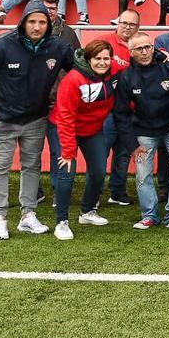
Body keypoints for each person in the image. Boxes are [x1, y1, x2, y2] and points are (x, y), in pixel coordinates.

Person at [0, 0, 74, 240]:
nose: (37, 26)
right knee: (0, 167)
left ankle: (28, 215)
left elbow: (79, 70)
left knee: (32, 167)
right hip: (3, 119)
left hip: (36, 118)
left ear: (49, 24)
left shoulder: (58, 47)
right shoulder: (1, 45)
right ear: (23, 22)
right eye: (32, 21)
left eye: (42, 22)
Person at [115, 33, 169, 230]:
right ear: (131, 52)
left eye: (148, 47)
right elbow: (121, 114)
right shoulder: (126, 77)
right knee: (143, 174)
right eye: (139, 49)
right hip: (143, 131)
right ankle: (149, 215)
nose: (145, 52)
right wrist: (132, 145)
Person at [49, 39, 116, 240]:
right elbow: (65, 117)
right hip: (64, 127)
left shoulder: (112, 75)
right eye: (97, 58)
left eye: (106, 58)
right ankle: (62, 221)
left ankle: (87, 211)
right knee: (66, 173)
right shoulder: (73, 79)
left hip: (92, 130)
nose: (102, 62)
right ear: (88, 59)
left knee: (98, 171)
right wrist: (68, 151)